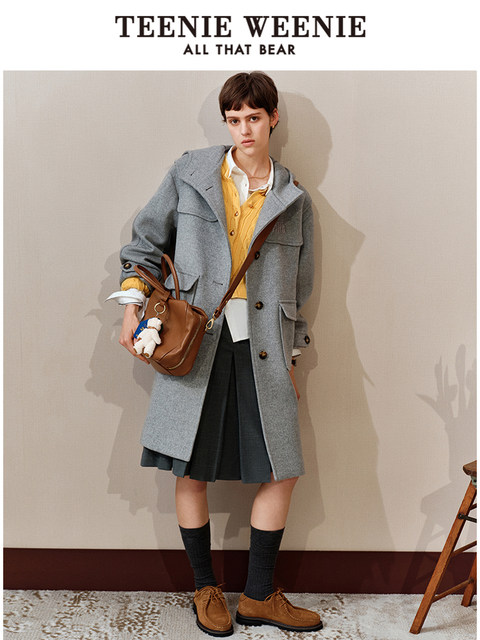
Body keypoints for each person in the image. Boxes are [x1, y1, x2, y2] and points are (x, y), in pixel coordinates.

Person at [110, 72, 321, 636]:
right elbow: (144, 245)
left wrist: (292, 358)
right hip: (195, 343)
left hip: (265, 349)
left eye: (254, 118)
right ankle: (205, 588)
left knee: (280, 469)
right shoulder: (191, 173)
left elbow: (298, 290)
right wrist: (131, 308)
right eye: (234, 120)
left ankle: (258, 595)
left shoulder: (294, 199)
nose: (244, 130)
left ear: (273, 119)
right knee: (191, 466)